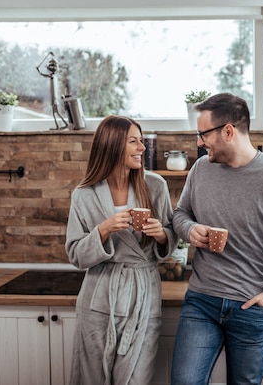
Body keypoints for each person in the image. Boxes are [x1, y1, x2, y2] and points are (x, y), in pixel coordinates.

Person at [170, 93, 263, 384]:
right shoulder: (200, 169)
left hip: (251, 308)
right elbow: (180, 214)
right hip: (202, 302)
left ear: (228, 131)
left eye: (203, 134)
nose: (199, 141)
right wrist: (190, 230)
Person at [65, 115, 178, 385]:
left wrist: (162, 234)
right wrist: (104, 230)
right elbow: (76, 255)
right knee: (92, 378)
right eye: (134, 141)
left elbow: (172, 235)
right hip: (99, 295)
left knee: (134, 379)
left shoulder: (155, 186)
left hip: (143, 294)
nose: (142, 148)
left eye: (142, 141)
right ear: (113, 145)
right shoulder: (85, 194)